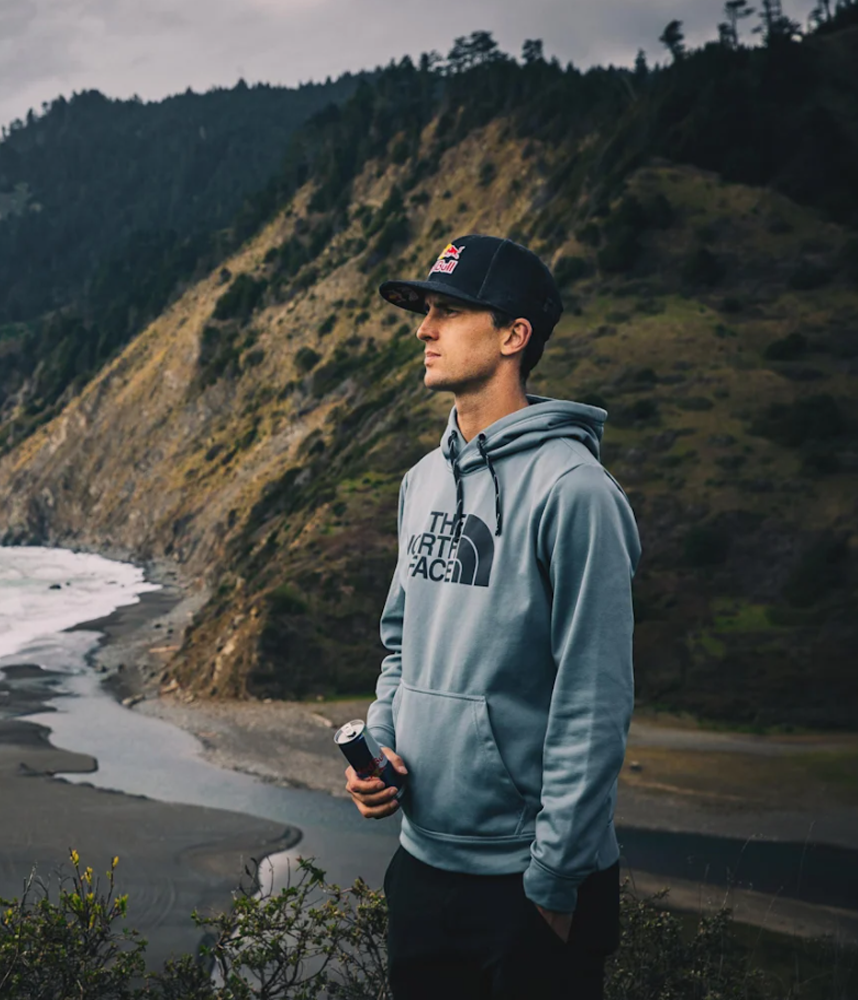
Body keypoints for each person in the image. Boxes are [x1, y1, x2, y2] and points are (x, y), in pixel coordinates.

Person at [346, 235, 641, 999]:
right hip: (422, 868)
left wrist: (553, 879)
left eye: (449, 311)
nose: (424, 329)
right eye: (425, 311)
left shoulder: (576, 492)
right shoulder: (420, 483)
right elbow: (402, 647)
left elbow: (593, 699)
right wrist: (379, 750)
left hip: (528, 883)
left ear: (514, 336)